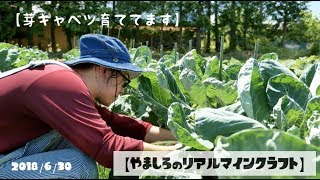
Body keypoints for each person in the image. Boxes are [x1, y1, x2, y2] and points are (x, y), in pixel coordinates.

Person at [0, 34, 180, 179]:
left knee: (80, 143)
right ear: (103, 70)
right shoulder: (62, 83)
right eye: (124, 81)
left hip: (12, 150)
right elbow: (108, 149)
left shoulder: (64, 80)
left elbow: (114, 123)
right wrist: (175, 156)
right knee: (79, 166)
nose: (123, 91)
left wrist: (179, 138)